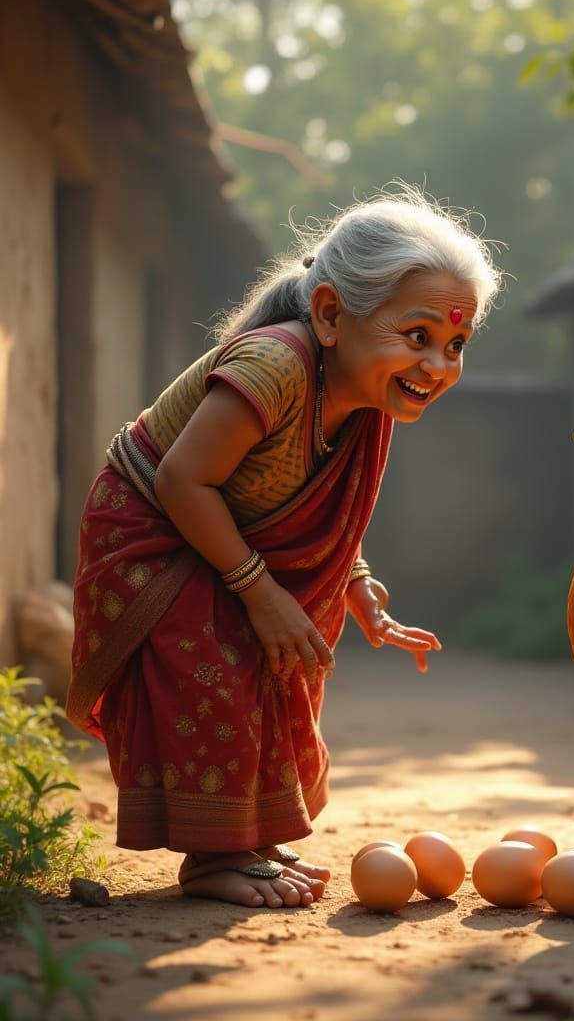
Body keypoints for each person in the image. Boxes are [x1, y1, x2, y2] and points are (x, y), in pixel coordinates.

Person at [66, 186, 502, 908]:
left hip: (216, 524)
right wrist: (262, 591)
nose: (439, 365)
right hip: (152, 529)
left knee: (280, 665)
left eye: (457, 344)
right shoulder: (274, 367)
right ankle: (214, 856)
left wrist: (356, 582)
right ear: (331, 314)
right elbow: (184, 480)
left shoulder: (369, 396)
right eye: (418, 336)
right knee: (222, 659)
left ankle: (244, 835)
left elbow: (306, 502)